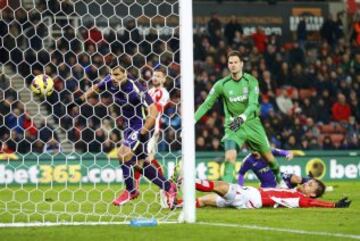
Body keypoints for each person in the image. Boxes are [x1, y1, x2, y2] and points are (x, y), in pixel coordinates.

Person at [75, 59, 177, 208]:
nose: (114, 78)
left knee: (123, 154)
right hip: (129, 127)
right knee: (139, 164)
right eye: (111, 75)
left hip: (141, 125)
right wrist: (80, 99)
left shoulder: (136, 87)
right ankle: (168, 187)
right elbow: (96, 87)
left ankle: (131, 190)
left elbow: (154, 110)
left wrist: (144, 131)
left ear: (125, 74)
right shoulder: (110, 81)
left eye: (117, 74)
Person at [195, 50, 281, 183]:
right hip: (234, 126)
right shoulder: (221, 85)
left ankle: (280, 180)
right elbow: (206, 105)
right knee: (230, 157)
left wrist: (242, 118)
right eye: (230, 62)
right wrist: (192, 121)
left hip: (252, 124)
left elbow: (253, 104)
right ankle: (227, 191)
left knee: (269, 158)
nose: (233, 65)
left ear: (241, 64)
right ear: (228, 65)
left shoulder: (251, 81)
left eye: (236, 62)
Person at [134, 66, 170, 208]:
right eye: (154, 75)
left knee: (140, 159)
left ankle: (135, 188)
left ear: (164, 79)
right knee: (147, 159)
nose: (155, 78)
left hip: (151, 129)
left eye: (159, 76)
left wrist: (155, 131)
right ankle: (165, 187)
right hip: (144, 128)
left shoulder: (163, 93)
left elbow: (156, 110)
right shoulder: (149, 91)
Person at [193, 179, 351, 209]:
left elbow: (312, 203)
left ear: (312, 194)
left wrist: (334, 204)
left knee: (219, 185)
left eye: (310, 185)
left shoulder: (301, 199)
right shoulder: (295, 191)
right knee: (205, 200)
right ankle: (173, 203)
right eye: (309, 181)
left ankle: (185, 180)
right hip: (250, 198)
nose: (306, 183)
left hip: (252, 197)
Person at [238, 148, 306, 188]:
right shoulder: (248, 160)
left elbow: (280, 152)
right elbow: (241, 174)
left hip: (281, 177)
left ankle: (309, 181)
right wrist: (240, 188)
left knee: (297, 178)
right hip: (268, 185)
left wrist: (287, 154)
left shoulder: (267, 151)